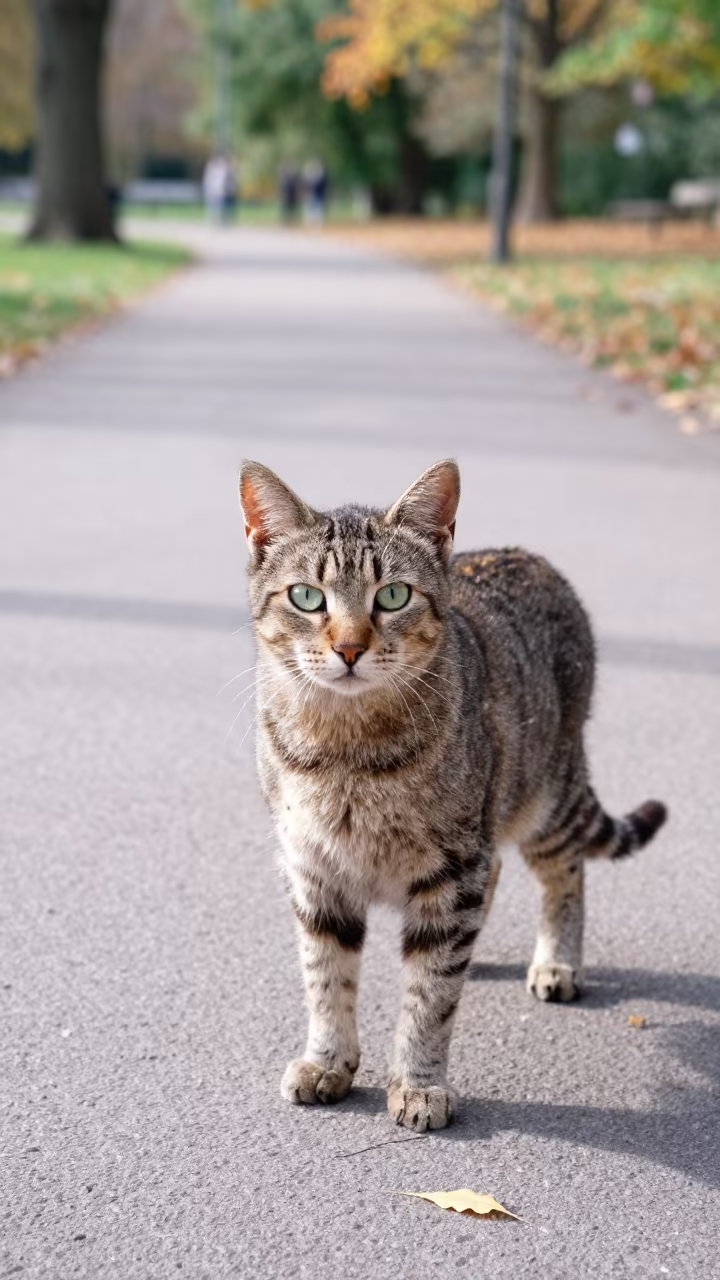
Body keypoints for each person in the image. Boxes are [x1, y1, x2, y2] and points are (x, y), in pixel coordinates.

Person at [202, 153, 238, 224]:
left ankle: (225, 220)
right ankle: (216, 220)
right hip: (216, 190)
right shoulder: (214, 169)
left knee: (225, 207)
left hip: (225, 191)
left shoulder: (228, 169)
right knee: (216, 206)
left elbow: (231, 180)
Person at [301, 158, 328, 224]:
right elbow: (306, 184)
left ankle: (317, 223)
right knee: (309, 209)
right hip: (310, 195)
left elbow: (322, 185)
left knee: (318, 210)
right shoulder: (309, 175)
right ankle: (309, 222)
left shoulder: (321, 175)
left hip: (318, 194)